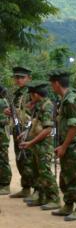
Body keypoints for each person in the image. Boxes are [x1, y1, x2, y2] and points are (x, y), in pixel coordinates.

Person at [48, 69, 76, 219]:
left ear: (57, 83)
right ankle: (69, 204)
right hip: (66, 143)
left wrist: (64, 146)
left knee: (75, 175)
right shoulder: (65, 99)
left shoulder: (70, 100)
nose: (51, 87)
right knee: (66, 176)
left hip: (73, 145)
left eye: (52, 83)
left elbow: (74, 125)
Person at [19, 80, 61, 210]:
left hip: (44, 144)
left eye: (31, 95)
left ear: (36, 95)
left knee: (45, 172)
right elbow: (36, 123)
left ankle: (54, 198)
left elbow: (48, 129)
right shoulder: (39, 105)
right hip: (37, 144)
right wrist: (26, 133)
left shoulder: (47, 106)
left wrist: (31, 142)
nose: (31, 98)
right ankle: (42, 197)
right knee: (38, 172)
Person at [8, 66, 35, 199]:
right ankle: (25, 187)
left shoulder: (32, 93)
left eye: (22, 77)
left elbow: (34, 111)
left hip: (27, 129)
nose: (18, 80)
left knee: (29, 159)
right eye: (16, 77)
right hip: (17, 127)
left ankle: (37, 188)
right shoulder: (17, 93)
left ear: (29, 78)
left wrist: (15, 112)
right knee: (20, 159)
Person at [0, 85, 11, 195]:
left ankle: (5, 185)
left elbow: (4, 121)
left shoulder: (2, 102)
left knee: (3, 160)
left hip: (2, 136)